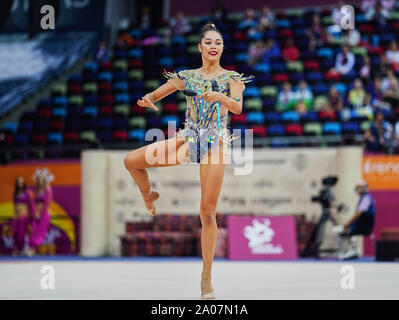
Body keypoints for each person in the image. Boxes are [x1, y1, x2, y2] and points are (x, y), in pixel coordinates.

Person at [124, 23, 253, 299]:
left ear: (222, 47)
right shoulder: (186, 76)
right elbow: (156, 95)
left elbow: (238, 107)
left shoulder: (232, 78)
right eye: (208, 42)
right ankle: (149, 195)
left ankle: (206, 276)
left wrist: (221, 97)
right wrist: (147, 100)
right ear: (200, 47)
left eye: (217, 42)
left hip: (215, 142)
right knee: (131, 161)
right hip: (188, 139)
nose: (213, 46)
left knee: (207, 212)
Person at [29, 168, 54, 255]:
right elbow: (34, 203)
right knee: (33, 230)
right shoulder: (36, 190)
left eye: (42, 180)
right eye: (38, 180)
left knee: (40, 232)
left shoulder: (48, 189)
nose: (40, 181)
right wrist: (35, 213)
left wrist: (41, 214)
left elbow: (47, 203)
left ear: (44, 181)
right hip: (37, 214)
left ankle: (34, 248)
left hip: (45, 214)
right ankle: (32, 248)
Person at [12, 177, 35, 256]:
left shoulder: (27, 192)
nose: (20, 184)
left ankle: (23, 249)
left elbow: (31, 204)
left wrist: (31, 216)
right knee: (15, 232)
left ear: (24, 183)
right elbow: (15, 204)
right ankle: (18, 249)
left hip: (24, 215)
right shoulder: (15, 193)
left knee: (22, 233)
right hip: (16, 215)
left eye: (21, 183)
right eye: (18, 182)